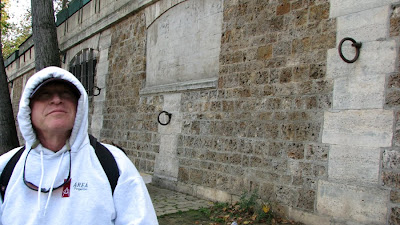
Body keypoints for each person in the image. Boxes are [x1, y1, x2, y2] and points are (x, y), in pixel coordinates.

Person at [0, 66, 158, 224]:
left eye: (65, 94)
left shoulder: (114, 164)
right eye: (45, 95)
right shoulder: (6, 168)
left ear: (78, 106)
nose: (56, 100)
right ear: (28, 107)